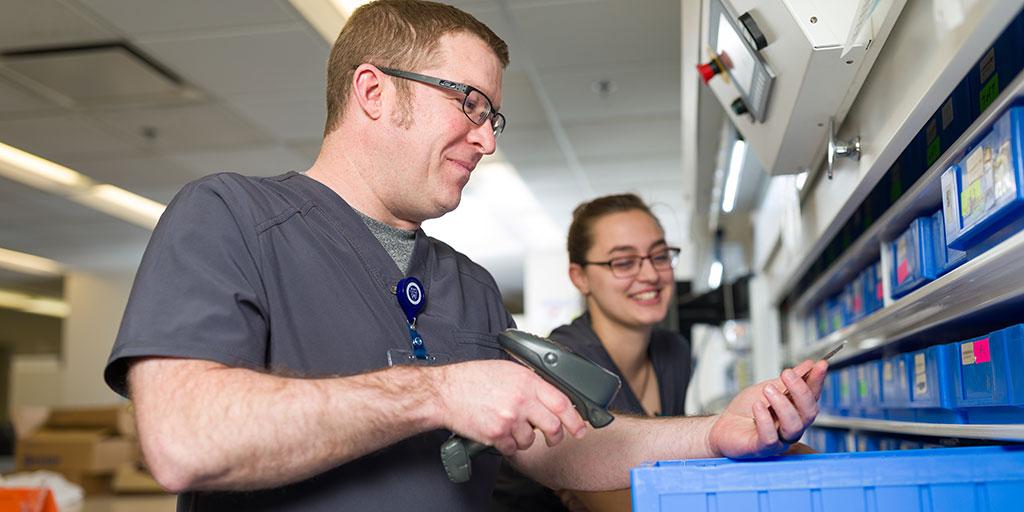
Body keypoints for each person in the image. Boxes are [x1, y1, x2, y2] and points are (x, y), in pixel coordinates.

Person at [103, 1, 829, 511]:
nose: (487, 139)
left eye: (493, 116)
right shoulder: (229, 218)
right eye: (470, 104)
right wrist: (437, 392)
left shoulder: (468, 284)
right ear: (374, 91)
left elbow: (558, 448)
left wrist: (715, 434)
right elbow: (184, 440)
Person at [492, 194, 691, 512]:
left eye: (660, 256)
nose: (651, 275)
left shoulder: (674, 353)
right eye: (623, 262)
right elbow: (620, 503)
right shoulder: (563, 364)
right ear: (580, 277)